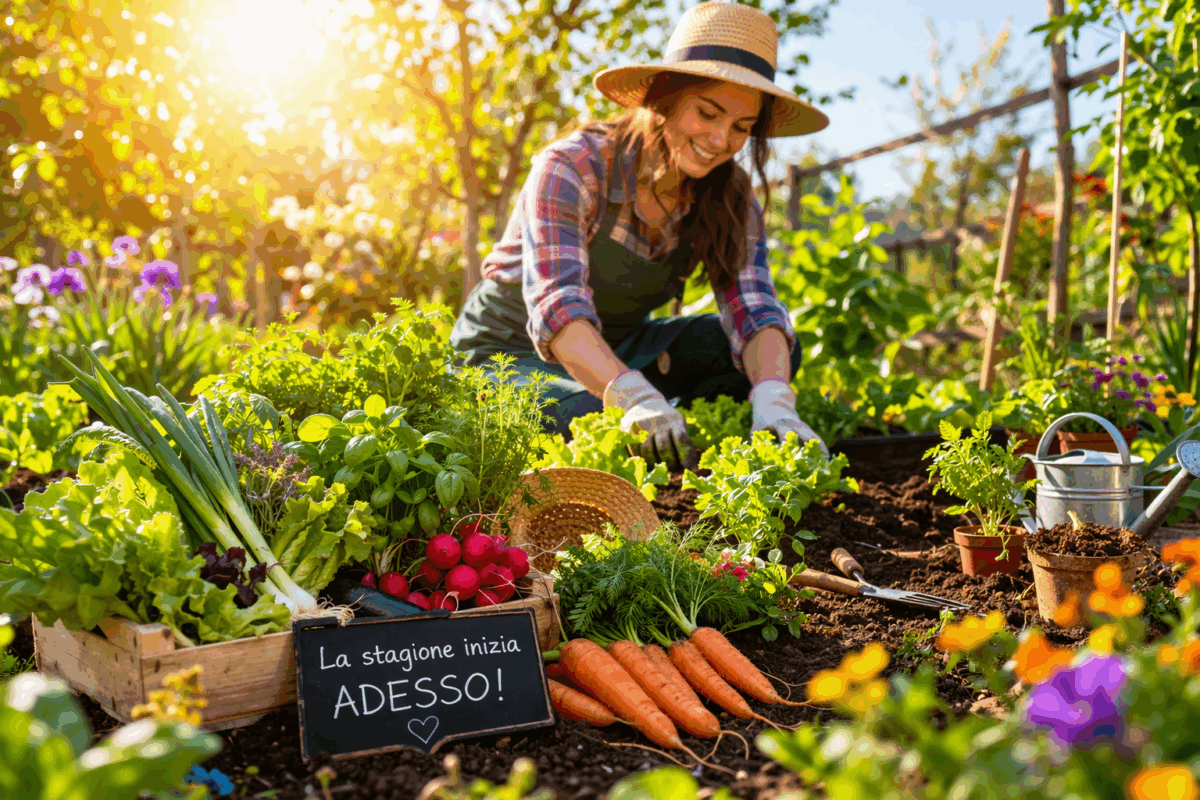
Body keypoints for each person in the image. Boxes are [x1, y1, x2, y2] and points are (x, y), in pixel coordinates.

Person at [450, 1, 829, 470]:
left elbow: (754, 306)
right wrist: (630, 394)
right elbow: (558, 305)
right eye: (707, 113)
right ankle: (649, 414)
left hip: (620, 344)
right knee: (592, 419)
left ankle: (670, 420)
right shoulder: (573, 167)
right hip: (510, 351)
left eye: (740, 128)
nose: (720, 140)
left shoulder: (730, 197)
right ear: (664, 99)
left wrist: (775, 400)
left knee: (773, 361)